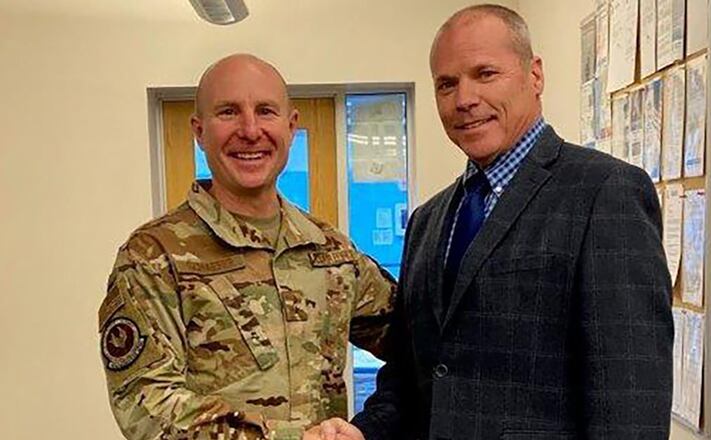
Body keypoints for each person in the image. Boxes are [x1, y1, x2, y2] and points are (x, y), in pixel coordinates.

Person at [319, 4, 674, 440]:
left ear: (535, 75)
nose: (464, 99)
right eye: (447, 84)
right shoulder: (427, 222)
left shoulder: (605, 193)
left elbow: (629, 404)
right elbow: (413, 380)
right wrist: (365, 432)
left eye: (485, 74)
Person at [97, 54, 396, 440]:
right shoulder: (154, 256)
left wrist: (374, 425)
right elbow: (147, 404)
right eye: (228, 112)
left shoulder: (331, 251)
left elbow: (418, 343)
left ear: (291, 127)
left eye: (266, 111)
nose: (251, 130)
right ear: (199, 131)